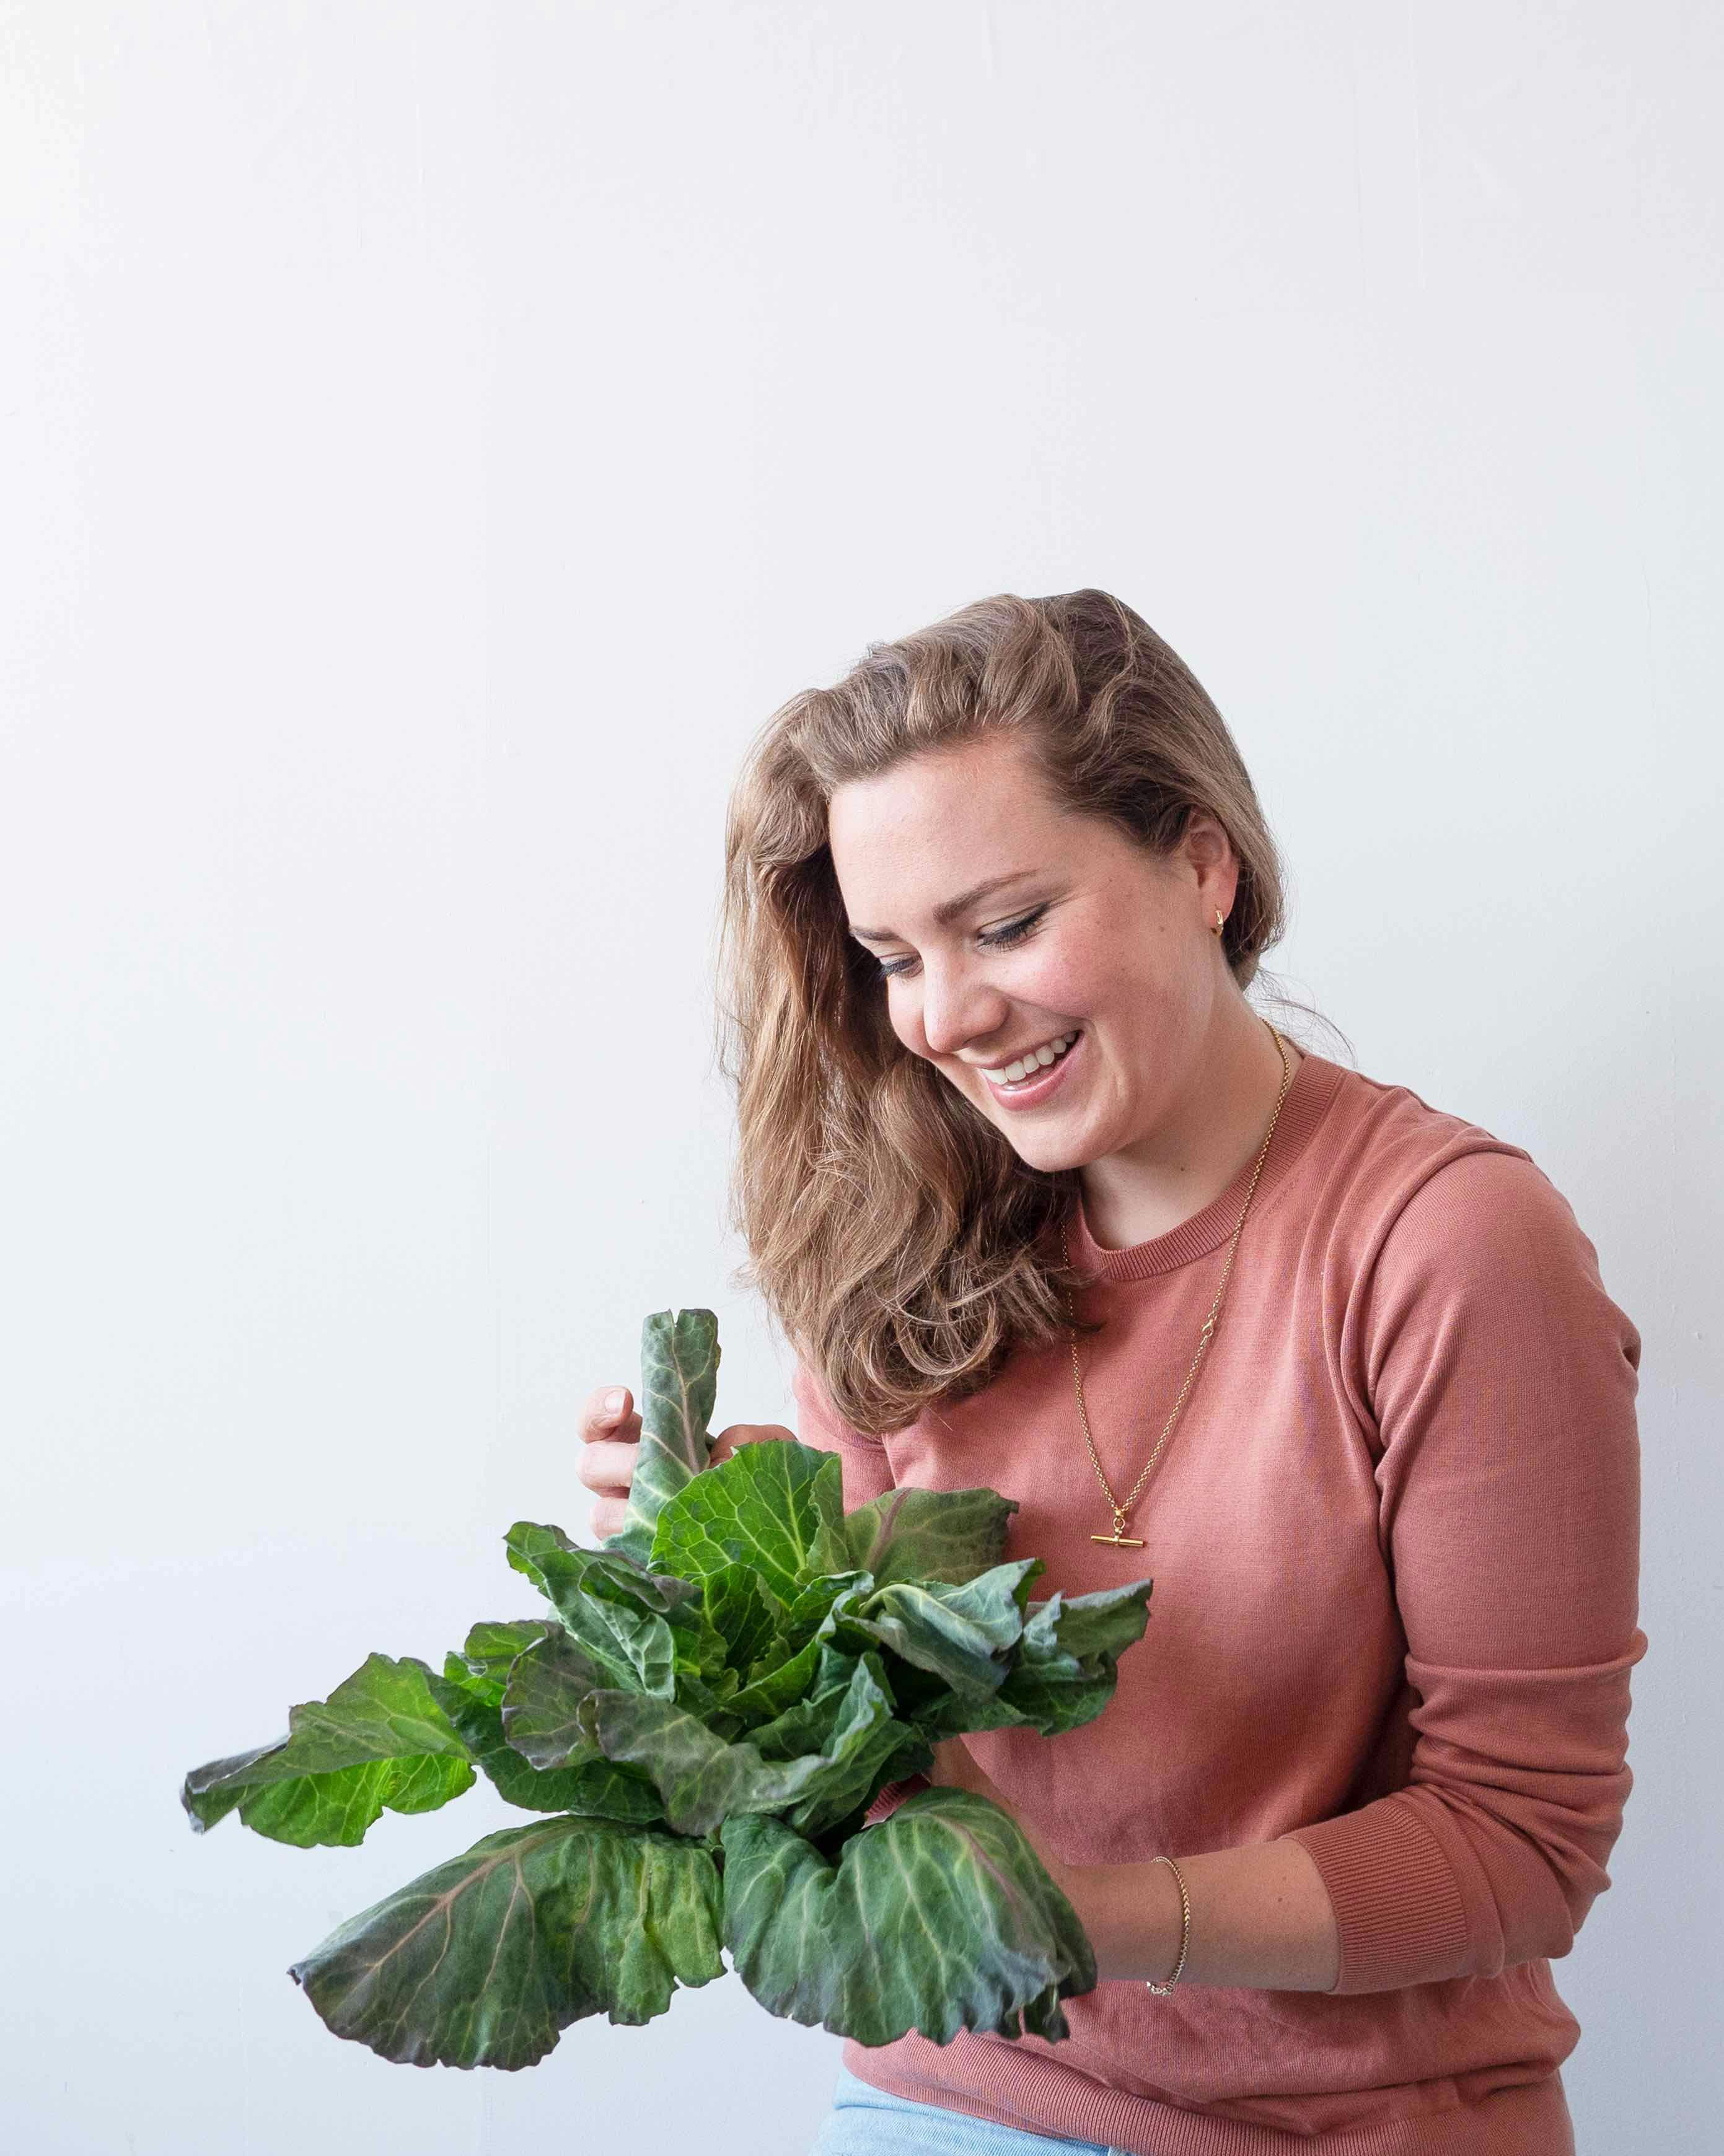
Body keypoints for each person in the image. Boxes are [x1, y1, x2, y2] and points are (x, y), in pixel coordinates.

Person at [576, 589, 1647, 2156]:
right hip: (970, 2096)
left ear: (1202, 863)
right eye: (895, 954)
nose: (945, 1015)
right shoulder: (886, 1244)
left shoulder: (1449, 1247)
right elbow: (861, 1814)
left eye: (1005, 924)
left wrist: (1074, 1917)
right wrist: (746, 1619)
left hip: (1353, 2126)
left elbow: (1519, 1845)